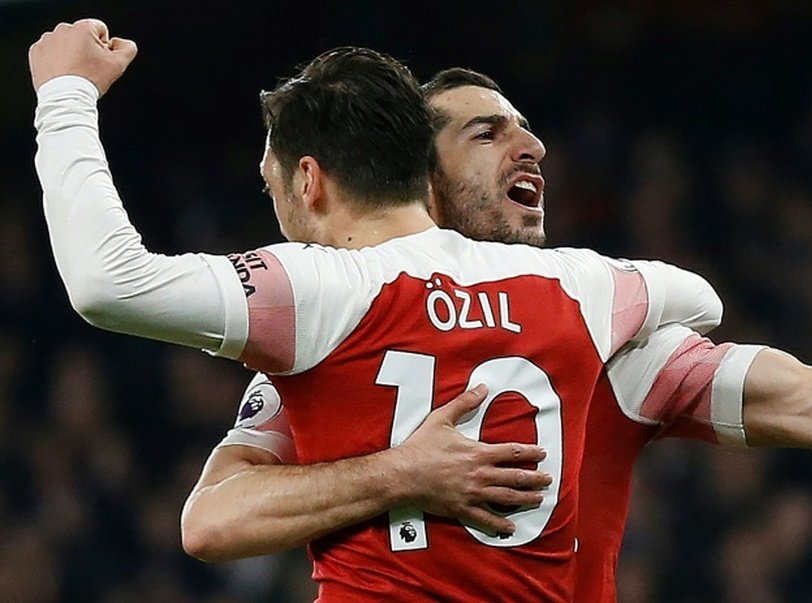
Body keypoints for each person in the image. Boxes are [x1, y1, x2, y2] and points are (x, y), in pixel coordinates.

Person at [183, 67, 812, 602]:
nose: (531, 145)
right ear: (418, 182)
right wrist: (395, 472)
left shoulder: (616, 345)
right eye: (486, 133)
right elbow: (214, 519)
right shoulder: (343, 346)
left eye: (527, 130)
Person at [30, 20, 745, 602]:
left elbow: (107, 282)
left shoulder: (322, 287)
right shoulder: (576, 283)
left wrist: (64, 94)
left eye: (269, 185)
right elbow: (701, 299)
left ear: (308, 180)